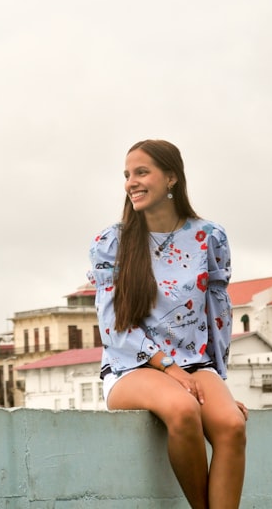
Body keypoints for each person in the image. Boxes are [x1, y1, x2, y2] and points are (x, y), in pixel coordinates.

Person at [87, 139, 247, 509]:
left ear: (171, 177)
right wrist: (168, 367)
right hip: (132, 365)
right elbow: (113, 328)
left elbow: (218, 314)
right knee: (182, 410)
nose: (131, 182)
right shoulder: (113, 242)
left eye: (142, 172)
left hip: (195, 364)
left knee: (231, 425)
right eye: (127, 175)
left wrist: (219, 383)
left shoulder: (208, 237)